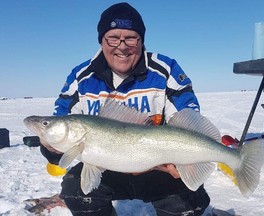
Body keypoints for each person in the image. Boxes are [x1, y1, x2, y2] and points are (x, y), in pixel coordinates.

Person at [40, 2, 210, 216]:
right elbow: (61, 121)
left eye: (130, 37)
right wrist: (51, 148)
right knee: (76, 191)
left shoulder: (165, 70)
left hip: (159, 167)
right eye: (113, 37)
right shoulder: (81, 77)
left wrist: (184, 161)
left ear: (141, 40)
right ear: (102, 40)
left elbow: (188, 116)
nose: (121, 46)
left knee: (187, 202)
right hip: (106, 168)